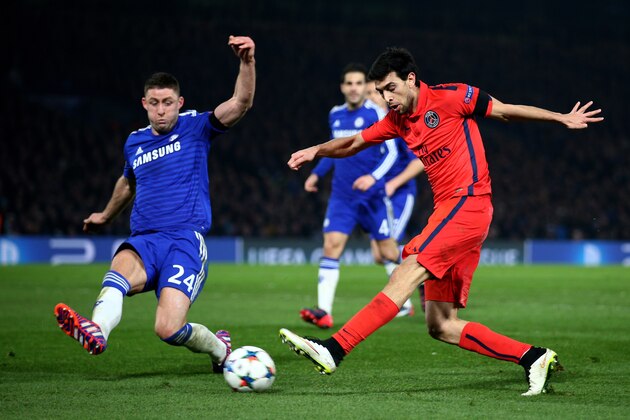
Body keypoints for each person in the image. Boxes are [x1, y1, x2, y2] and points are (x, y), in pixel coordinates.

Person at [280, 47, 603, 396]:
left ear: (411, 79)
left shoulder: (453, 97)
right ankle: (533, 357)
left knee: (407, 270)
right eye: (381, 91)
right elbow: (354, 143)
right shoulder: (397, 120)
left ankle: (335, 348)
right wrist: (316, 150)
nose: (386, 98)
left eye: (390, 88)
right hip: (449, 211)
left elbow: (506, 111)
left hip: (468, 204)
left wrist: (560, 117)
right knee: (441, 325)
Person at [54, 35, 256, 373]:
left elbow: (241, 102)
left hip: (184, 240)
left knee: (168, 328)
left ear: (180, 102)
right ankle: (97, 331)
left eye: (167, 102)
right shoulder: (135, 142)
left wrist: (246, 61)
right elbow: (127, 182)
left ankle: (220, 349)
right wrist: (106, 214)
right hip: (145, 238)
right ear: (144, 104)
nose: (161, 109)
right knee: (119, 267)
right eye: (154, 103)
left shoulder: (197, 127)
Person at [300, 63, 423, 329]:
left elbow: (391, 153)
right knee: (331, 246)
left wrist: (374, 178)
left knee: (388, 253)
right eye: (349, 84)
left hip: (373, 197)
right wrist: (317, 174)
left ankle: (413, 290)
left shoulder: (377, 115)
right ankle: (323, 311)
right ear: (343, 87)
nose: (354, 88)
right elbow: (337, 149)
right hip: (342, 197)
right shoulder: (335, 115)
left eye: (359, 83)